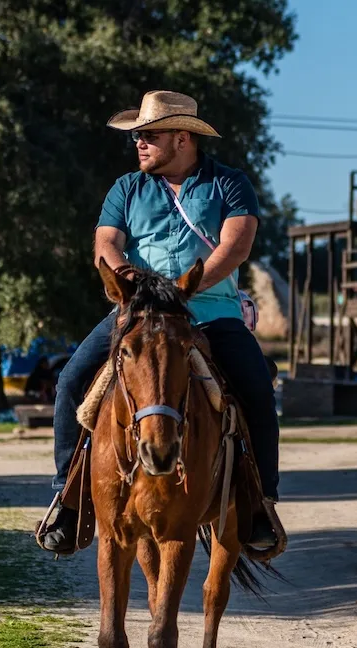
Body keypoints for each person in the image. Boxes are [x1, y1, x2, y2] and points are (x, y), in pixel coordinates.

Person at [38, 91, 280, 553]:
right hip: (136, 316)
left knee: (257, 392)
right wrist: (130, 281)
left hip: (209, 314)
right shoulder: (126, 188)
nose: (140, 144)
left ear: (182, 137)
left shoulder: (230, 184)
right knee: (70, 382)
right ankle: (67, 502)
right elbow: (106, 245)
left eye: (149, 136)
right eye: (137, 137)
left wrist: (184, 291)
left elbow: (236, 247)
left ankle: (258, 505)